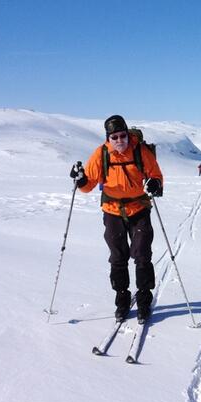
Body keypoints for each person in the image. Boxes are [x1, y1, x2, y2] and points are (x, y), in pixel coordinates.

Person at [69, 115, 163, 324]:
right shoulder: (101, 154)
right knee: (118, 256)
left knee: (142, 254)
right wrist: (80, 179)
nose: (119, 140)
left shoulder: (141, 151)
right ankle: (122, 299)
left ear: (128, 135)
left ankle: (144, 301)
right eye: (114, 137)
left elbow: (156, 175)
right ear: (108, 138)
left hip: (139, 208)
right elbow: (88, 185)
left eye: (122, 136)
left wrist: (154, 184)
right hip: (112, 211)